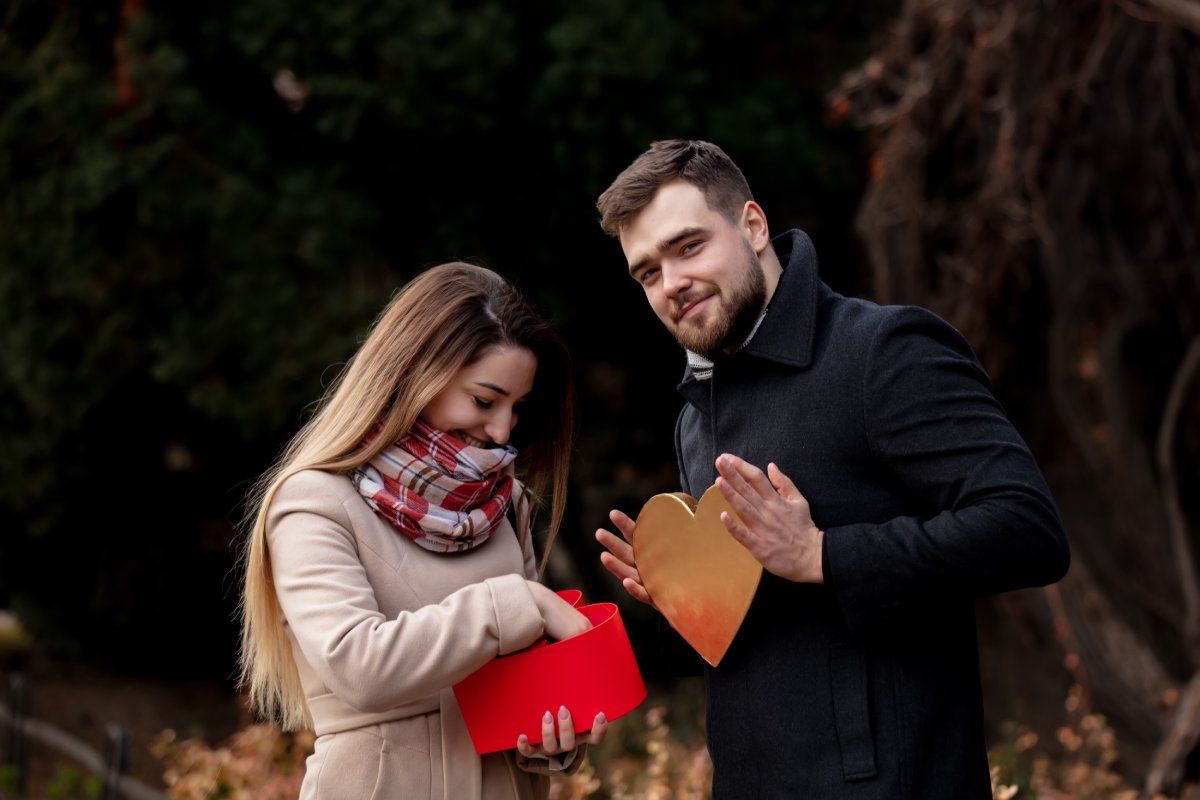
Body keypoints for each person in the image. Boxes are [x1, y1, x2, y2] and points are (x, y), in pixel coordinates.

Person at [593, 140, 1070, 799]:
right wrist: (682, 591)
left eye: (688, 247)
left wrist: (825, 555)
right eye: (647, 272)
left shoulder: (881, 351)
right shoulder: (694, 417)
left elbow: (1027, 529)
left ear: (753, 226)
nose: (671, 284)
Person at [238, 263, 607, 800]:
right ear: (415, 373)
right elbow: (359, 666)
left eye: (517, 408)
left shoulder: (506, 504)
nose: (502, 431)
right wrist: (516, 600)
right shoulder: (314, 503)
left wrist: (551, 740)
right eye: (484, 400)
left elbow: (527, 679)